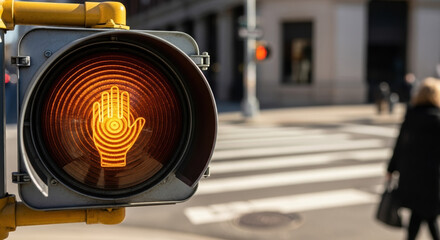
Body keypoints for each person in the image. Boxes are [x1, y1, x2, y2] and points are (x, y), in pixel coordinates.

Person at [387, 77, 440, 240]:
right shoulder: (438, 118)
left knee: (418, 215)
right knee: (428, 215)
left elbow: (399, 145)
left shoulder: (411, 116)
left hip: (411, 174)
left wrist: (391, 169)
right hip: (433, 177)